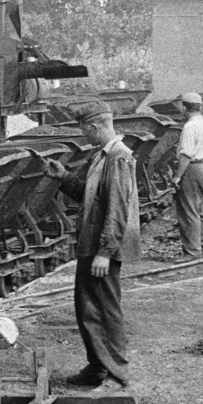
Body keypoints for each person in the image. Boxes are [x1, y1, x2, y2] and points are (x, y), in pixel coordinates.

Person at [43, 99, 140, 388]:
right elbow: (91, 197)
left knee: (106, 309)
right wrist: (63, 177)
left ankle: (116, 373)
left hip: (102, 248)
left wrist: (105, 253)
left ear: (95, 126)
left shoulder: (118, 157)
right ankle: (98, 366)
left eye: (84, 130)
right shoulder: (102, 155)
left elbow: (117, 208)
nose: (83, 136)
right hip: (92, 243)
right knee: (88, 308)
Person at [171, 92, 203, 256]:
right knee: (202, 210)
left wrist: (177, 176)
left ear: (184, 107)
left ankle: (192, 252)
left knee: (188, 211)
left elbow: (186, 154)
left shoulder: (190, 127)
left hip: (193, 169)